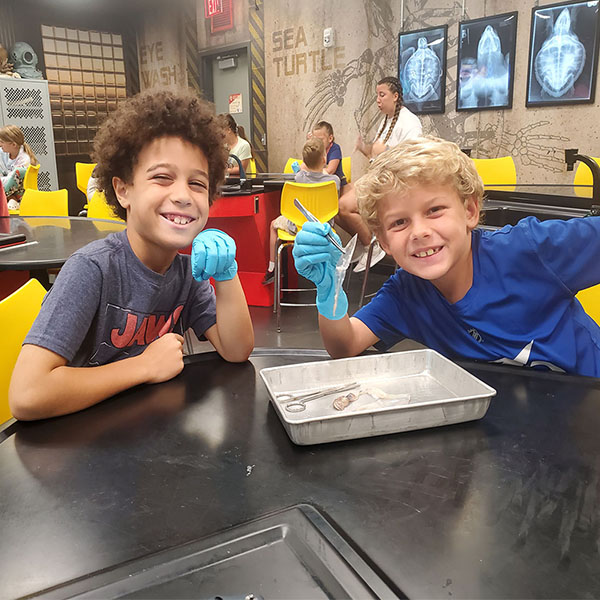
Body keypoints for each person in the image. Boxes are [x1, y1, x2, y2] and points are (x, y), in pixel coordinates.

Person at [9, 90, 255, 420]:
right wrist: (144, 366)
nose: (183, 195)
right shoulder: (92, 270)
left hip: (151, 437)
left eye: (197, 184)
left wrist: (227, 275)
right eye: (162, 178)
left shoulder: (186, 272)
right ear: (124, 190)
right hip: (85, 447)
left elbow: (236, 350)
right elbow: (27, 395)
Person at [292, 136, 600, 377]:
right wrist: (328, 290)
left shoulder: (529, 250)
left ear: (469, 211)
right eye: (399, 222)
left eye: (434, 210)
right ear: (383, 241)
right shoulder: (406, 294)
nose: (419, 231)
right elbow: (345, 345)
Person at [337, 76, 422, 273]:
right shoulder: (386, 121)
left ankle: (372, 246)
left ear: (395, 96)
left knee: (344, 207)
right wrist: (363, 148)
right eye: (377, 95)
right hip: (376, 177)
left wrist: (385, 152)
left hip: (392, 184)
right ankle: (364, 242)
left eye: (382, 95)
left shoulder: (410, 122)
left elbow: (412, 160)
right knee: (336, 210)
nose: (378, 100)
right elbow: (375, 155)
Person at [262, 136, 340, 285]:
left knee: (273, 224)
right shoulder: (334, 181)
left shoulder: (299, 177)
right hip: (324, 228)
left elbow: (303, 170)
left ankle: (272, 268)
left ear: (304, 161)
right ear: (324, 159)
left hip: (299, 227)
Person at [0, 124, 38, 210]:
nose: (0, 144)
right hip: (7, 190)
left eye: (2, 142)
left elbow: (11, 179)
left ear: (13, 144)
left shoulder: (24, 159)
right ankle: (11, 199)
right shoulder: (4, 153)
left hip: (20, 194)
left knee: (19, 172)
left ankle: (11, 199)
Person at [308, 121, 347, 187]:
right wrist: (309, 145)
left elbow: (330, 171)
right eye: (315, 140)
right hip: (319, 183)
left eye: (320, 140)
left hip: (336, 185)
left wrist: (313, 173)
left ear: (330, 138)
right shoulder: (315, 150)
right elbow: (305, 167)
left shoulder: (335, 149)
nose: (317, 143)